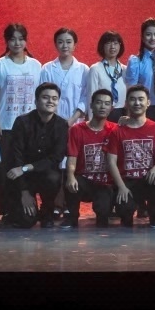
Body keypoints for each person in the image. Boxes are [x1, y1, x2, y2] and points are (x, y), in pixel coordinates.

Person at [0, 23, 41, 218]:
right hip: (6, 124)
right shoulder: (0, 64)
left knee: (27, 166)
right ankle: (7, 210)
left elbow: (40, 95)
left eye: (21, 39)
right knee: (6, 168)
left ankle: (28, 206)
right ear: (6, 41)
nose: (17, 43)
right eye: (12, 39)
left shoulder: (36, 65)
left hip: (30, 126)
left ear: (26, 41)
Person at [4, 82, 69, 228]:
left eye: (54, 98)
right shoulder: (22, 122)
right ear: (36, 101)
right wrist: (24, 192)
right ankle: (18, 210)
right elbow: (16, 157)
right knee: (26, 221)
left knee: (54, 177)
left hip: (44, 174)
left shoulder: (61, 125)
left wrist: (27, 167)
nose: (50, 101)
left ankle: (47, 211)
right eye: (45, 97)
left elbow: (55, 158)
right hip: (23, 178)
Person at [105, 86, 155, 228]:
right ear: (126, 103)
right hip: (127, 181)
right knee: (124, 213)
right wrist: (121, 187)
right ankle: (128, 212)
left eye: (141, 99)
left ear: (148, 102)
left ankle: (154, 216)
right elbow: (111, 162)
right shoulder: (117, 131)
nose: (137, 103)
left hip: (149, 179)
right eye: (132, 99)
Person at [62, 88, 119, 228]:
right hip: (84, 179)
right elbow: (72, 157)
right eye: (99, 102)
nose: (102, 106)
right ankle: (72, 216)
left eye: (107, 103)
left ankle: (104, 214)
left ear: (111, 108)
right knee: (69, 179)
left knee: (103, 217)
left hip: (105, 183)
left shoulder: (116, 129)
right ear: (91, 105)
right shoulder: (76, 130)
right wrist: (70, 176)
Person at [125, 19, 155, 125]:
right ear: (142, 37)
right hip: (144, 110)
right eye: (148, 35)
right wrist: (129, 116)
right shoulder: (135, 61)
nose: (153, 38)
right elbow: (131, 91)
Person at [40, 28, 90, 125]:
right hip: (50, 122)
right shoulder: (47, 69)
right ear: (55, 45)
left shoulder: (84, 70)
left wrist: (72, 120)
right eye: (60, 42)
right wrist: (55, 120)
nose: (65, 46)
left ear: (74, 45)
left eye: (68, 42)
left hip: (77, 122)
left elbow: (85, 97)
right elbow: (42, 95)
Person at [87, 30, 127, 120]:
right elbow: (91, 96)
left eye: (116, 43)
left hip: (122, 114)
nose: (112, 47)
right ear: (102, 46)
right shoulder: (95, 69)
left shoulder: (125, 69)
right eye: (108, 43)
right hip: (102, 113)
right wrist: (91, 121)